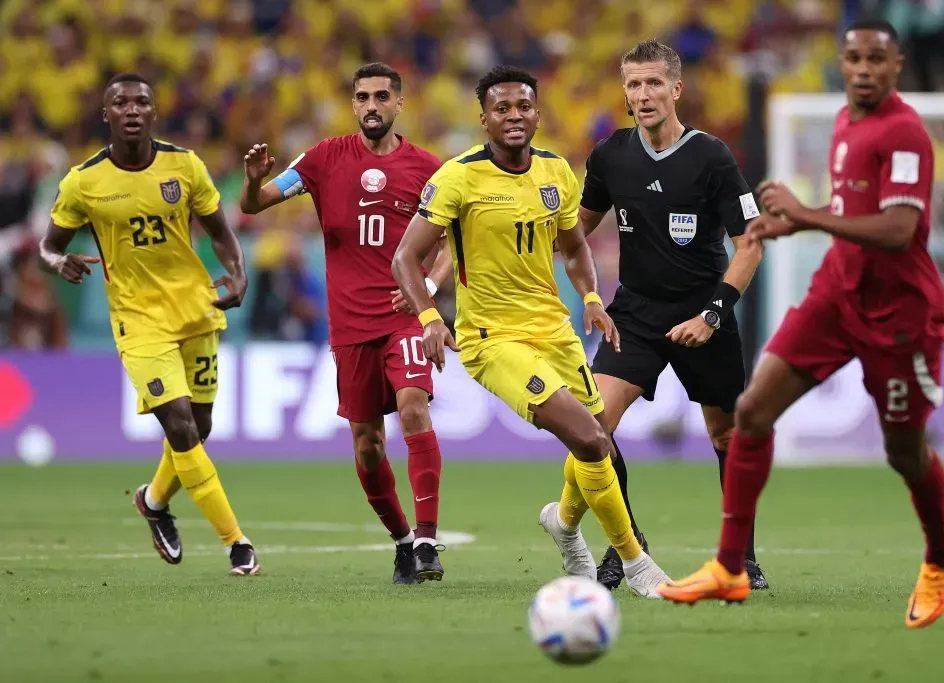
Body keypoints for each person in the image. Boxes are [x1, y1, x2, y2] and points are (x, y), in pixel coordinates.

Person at [658, 20, 944, 629]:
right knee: (750, 413)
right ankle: (729, 567)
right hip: (835, 296)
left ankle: (940, 554)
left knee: (904, 452)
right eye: (852, 58)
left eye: (875, 59)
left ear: (897, 64)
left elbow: (899, 229)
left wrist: (805, 216)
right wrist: (794, 222)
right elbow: (853, 211)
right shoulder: (846, 122)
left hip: (899, 314)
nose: (862, 69)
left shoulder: (904, 133)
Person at [392, 65, 671, 598]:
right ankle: (638, 565)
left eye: (523, 107)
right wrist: (429, 317)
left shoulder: (556, 171)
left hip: (555, 332)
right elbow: (406, 257)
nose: (514, 116)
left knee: (598, 444)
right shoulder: (458, 177)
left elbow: (574, 246)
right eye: (502, 109)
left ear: (538, 114)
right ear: (484, 119)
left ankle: (563, 525)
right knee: (591, 440)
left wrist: (591, 297)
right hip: (492, 340)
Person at [239, 62, 451, 584]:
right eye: (363, 97)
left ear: (400, 103)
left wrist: (427, 292)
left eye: (382, 96)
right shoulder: (321, 160)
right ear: (353, 104)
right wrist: (252, 181)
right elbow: (257, 205)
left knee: (413, 407)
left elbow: (451, 244)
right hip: (350, 327)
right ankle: (402, 540)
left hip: (404, 316)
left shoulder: (430, 169)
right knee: (367, 444)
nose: (372, 105)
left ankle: (427, 539)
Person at [39, 73, 259, 576]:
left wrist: (239, 272)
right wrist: (57, 262)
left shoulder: (184, 166)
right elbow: (48, 243)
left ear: (154, 113)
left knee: (199, 426)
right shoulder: (84, 181)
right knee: (180, 426)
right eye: (121, 102)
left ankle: (154, 500)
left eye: (141, 101)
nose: (132, 109)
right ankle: (236, 542)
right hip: (138, 322)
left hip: (196, 309)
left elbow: (221, 233)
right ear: (107, 115)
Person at [578, 39, 767, 591]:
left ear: (676, 89)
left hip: (703, 310)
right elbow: (572, 232)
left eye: (653, 83)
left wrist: (712, 314)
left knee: (727, 437)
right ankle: (625, 549)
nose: (642, 95)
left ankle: (740, 557)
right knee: (592, 430)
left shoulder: (712, 156)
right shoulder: (611, 154)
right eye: (633, 85)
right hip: (634, 312)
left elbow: (750, 245)